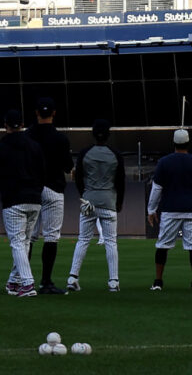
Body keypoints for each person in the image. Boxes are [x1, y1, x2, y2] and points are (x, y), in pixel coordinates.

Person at [0, 108, 46, 297]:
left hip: (13, 201)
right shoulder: (35, 146)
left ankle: (27, 284)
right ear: (23, 125)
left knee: (18, 243)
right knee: (24, 242)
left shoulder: (0, 149)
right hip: (34, 200)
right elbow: (43, 173)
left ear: (5, 126)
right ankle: (14, 281)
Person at [149, 128, 192, 295]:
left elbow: (156, 189)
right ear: (188, 143)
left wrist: (151, 210)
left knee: (162, 245)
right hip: (191, 211)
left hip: (170, 211)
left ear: (174, 143)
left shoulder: (164, 162)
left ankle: (158, 281)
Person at [68, 122, 124, 293]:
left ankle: (72, 278)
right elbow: (120, 181)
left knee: (83, 239)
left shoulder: (85, 153)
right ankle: (113, 281)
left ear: (93, 134)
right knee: (111, 242)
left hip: (89, 200)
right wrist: (119, 202)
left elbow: (78, 177)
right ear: (108, 135)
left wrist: (84, 195)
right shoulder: (115, 154)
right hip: (108, 201)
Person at [28, 98, 73, 293]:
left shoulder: (27, 136)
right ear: (54, 113)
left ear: (36, 113)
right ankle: (46, 282)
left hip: (31, 189)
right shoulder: (60, 138)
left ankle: (23, 279)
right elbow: (68, 166)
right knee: (51, 237)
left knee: (28, 237)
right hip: (53, 188)